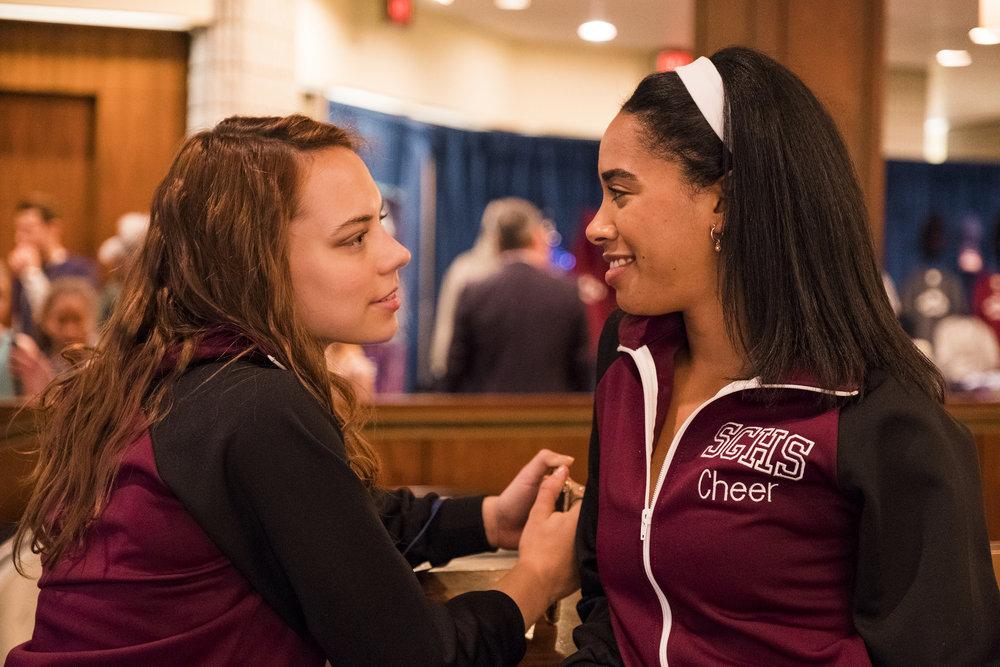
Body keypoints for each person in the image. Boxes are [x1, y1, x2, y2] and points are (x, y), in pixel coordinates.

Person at [7, 115, 580, 666]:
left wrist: (488, 518)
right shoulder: (253, 404)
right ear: (254, 267)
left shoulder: (173, 376)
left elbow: (336, 527)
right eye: (355, 238)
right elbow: (415, 655)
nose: (395, 253)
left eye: (379, 223)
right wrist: (535, 579)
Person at [566, 47, 1000, 666]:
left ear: (723, 200)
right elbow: (609, 606)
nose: (597, 226)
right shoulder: (629, 360)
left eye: (621, 193)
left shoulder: (880, 416)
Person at [444, 198, 590, 393]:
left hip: (488, 416)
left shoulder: (473, 292)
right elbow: (582, 370)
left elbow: (456, 369)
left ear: (498, 241)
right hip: (552, 417)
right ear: (535, 237)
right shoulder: (568, 293)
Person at [429, 198, 508, 383]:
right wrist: (442, 364)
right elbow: (447, 321)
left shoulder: (516, 272)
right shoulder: (464, 268)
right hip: (471, 375)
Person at [6, 194, 98, 336]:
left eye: (28, 230)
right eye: (18, 230)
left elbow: (52, 318)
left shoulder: (80, 269)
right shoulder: (22, 270)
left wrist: (33, 274)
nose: (19, 237)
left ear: (53, 228)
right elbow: (18, 321)